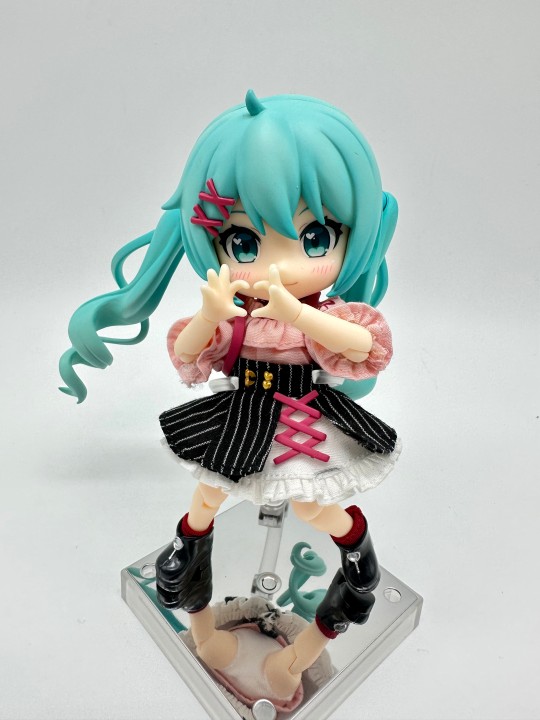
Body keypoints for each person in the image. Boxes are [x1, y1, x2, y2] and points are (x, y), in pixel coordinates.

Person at [60, 91, 400, 705]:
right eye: (245, 244)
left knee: (317, 511)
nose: (278, 266)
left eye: (315, 236)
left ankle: (349, 575)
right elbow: (190, 354)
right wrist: (210, 313)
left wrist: (301, 314)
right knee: (204, 506)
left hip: (301, 421)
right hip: (238, 420)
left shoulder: (320, 314)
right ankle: (199, 616)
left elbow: (362, 346)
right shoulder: (237, 322)